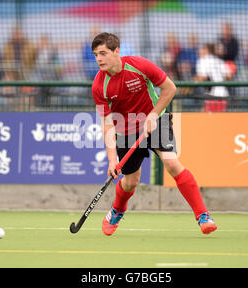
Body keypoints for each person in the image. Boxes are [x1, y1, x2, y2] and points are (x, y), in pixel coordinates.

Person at [91, 32, 217, 236]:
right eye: (96, 54)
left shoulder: (139, 65)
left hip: (156, 119)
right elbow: (107, 125)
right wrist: (112, 160)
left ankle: (203, 216)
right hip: (126, 129)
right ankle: (117, 209)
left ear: (117, 52)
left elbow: (170, 88)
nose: (99, 59)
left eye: (103, 53)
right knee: (130, 181)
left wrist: (152, 115)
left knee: (171, 163)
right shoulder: (99, 86)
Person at [195, 43, 233, 112]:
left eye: (203, 49)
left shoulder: (202, 61)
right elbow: (229, 75)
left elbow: (203, 77)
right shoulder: (219, 61)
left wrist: (194, 80)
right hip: (224, 95)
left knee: (205, 118)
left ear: (207, 50)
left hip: (212, 97)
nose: (200, 51)